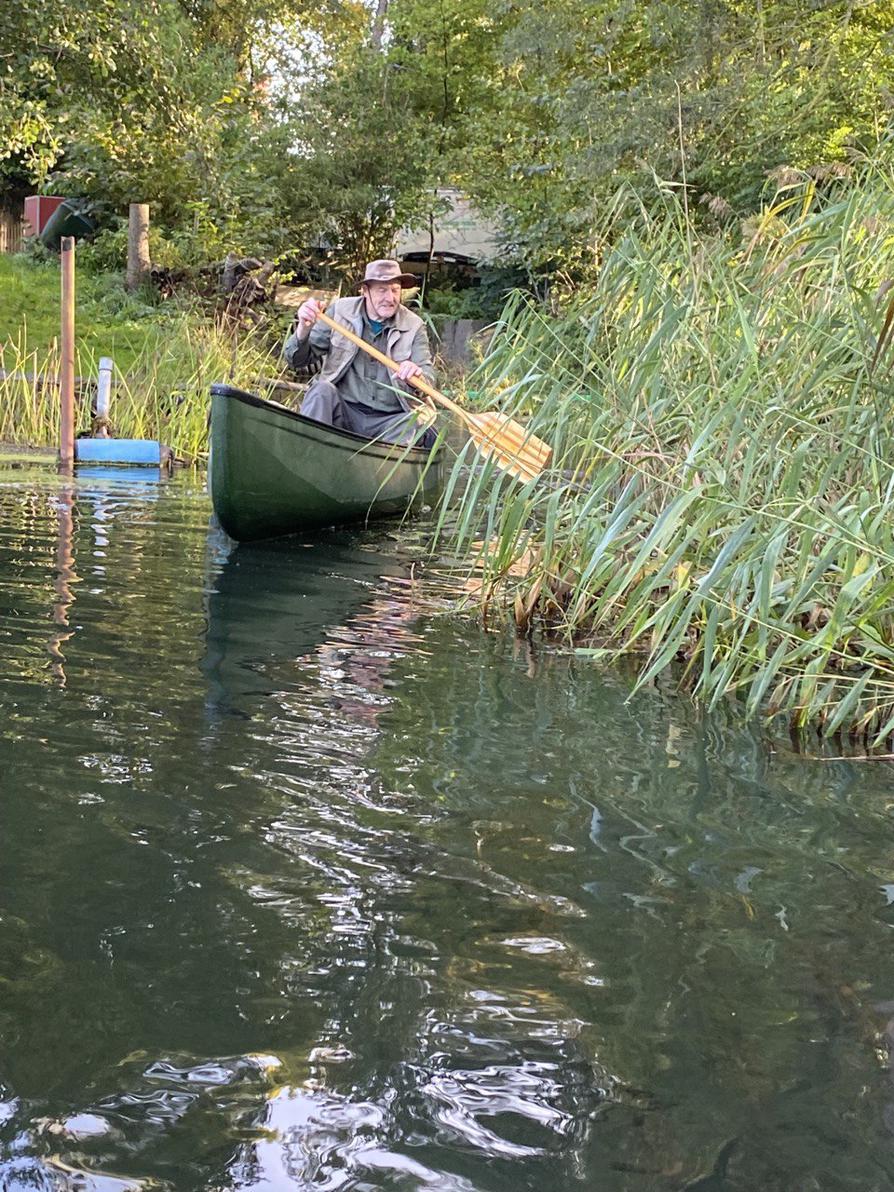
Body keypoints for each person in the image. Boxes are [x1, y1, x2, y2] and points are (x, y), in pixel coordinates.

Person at [283, 259, 438, 448]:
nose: (390, 298)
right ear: (365, 291)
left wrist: (417, 375)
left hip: (390, 421)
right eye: (382, 290)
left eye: (395, 289)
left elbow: (428, 377)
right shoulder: (340, 312)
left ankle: (380, 471)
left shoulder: (414, 326)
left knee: (415, 422)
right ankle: (307, 456)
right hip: (346, 412)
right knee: (321, 391)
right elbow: (296, 360)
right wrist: (303, 330)